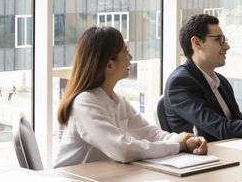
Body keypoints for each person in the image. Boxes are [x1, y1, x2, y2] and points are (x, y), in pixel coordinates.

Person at [54, 26, 207, 167]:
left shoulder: (118, 100)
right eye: (125, 51)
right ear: (109, 65)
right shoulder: (84, 102)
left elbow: (149, 133)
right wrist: (176, 145)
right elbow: (122, 149)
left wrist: (184, 140)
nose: (130, 57)